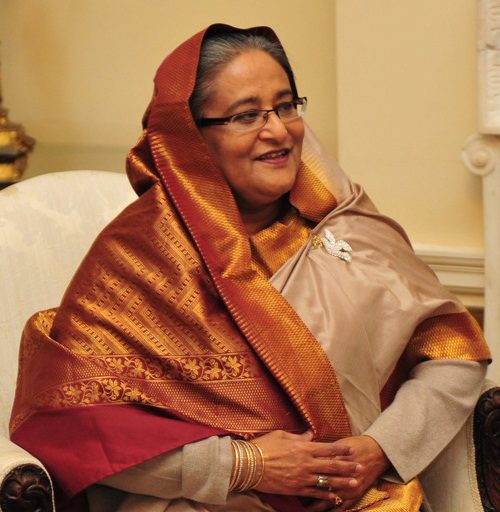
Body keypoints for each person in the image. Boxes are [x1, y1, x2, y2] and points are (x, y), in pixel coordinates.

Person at [10, 24, 490, 512]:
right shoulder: (138, 259)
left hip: (365, 498)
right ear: (191, 138)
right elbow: (77, 431)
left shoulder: (348, 229)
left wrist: (381, 447)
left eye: (286, 106)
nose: (278, 131)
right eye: (246, 116)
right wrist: (244, 465)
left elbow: (452, 352)